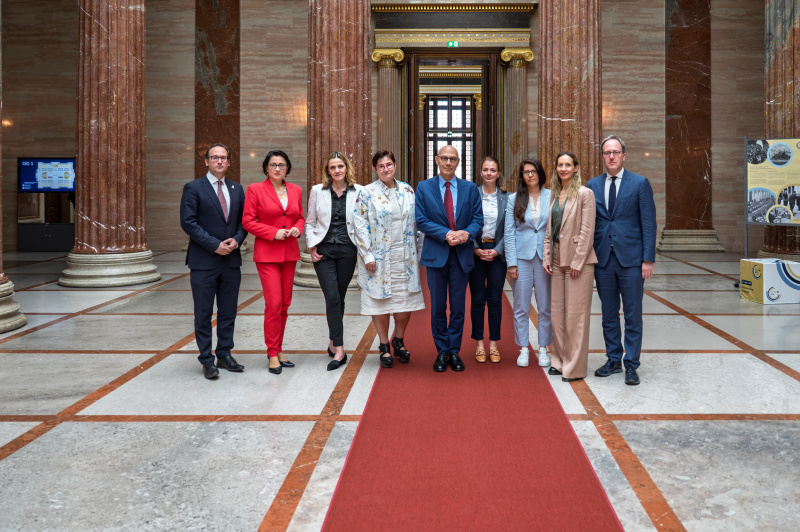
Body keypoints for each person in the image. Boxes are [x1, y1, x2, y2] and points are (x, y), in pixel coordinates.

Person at [586, 136, 656, 386]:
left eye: (616, 152)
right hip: (603, 259)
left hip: (632, 261)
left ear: (624, 156)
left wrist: (648, 259)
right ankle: (613, 358)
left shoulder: (639, 183)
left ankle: (632, 364)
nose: (612, 156)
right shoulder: (591, 185)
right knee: (608, 313)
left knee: (633, 314)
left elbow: (648, 223)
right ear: (602, 157)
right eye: (607, 152)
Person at [179, 143, 247, 379]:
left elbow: (243, 223)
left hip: (231, 261)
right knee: (204, 313)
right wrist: (214, 245)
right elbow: (188, 222)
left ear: (229, 163)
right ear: (206, 161)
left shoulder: (237, 189)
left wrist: (236, 241)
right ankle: (207, 359)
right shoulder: (193, 188)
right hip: (203, 262)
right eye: (214, 157)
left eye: (224, 158)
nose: (219, 161)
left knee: (228, 312)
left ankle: (225, 354)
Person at [353, 150, 424, 368]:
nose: (386, 169)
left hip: (405, 259)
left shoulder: (407, 190)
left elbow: (417, 225)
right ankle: (384, 345)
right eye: (381, 166)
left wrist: (418, 254)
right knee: (380, 304)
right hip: (379, 259)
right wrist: (368, 255)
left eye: (389, 165)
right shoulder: (367, 192)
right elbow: (359, 225)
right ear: (376, 169)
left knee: (404, 303)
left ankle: (399, 340)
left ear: (395, 165)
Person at [416, 145, 483, 372]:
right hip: (436, 254)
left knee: (457, 307)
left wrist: (467, 234)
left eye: (452, 159)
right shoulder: (424, 188)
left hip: (462, 255)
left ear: (458, 162)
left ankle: (454, 351)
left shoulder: (470, 188)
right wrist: (446, 234)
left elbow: (477, 219)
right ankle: (441, 351)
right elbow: (421, 220)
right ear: (436, 160)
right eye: (444, 158)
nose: (448, 162)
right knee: (437, 307)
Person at [242, 150, 305, 375]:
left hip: (289, 253)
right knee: (274, 304)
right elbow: (248, 221)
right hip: (268, 254)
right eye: (272, 165)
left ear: (287, 167)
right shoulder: (255, 190)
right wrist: (272, 232)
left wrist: (299, 228)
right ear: (266, 168)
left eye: (281, 164)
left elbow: (299, 216)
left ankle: (279, 349)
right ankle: (271, 352)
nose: (277, 168)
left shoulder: (296, 190)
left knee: (285, 304)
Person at [543, 151, 597, 382]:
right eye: (559, 165)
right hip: (556, 259)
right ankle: (559, 360)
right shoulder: (557, 194)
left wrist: (578, 260)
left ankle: (573, 368)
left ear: (576, 167)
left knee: (576, 317)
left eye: (568, 165)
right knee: (558, 315)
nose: (563, 169)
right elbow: (549, 230)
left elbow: (587, 231)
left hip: (578, 262)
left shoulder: (585, 194)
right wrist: (546, 257)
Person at [306, 151, 362, 371]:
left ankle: (332, 339)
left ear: (346, 168)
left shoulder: (359, 191)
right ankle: (339, 349)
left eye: (340, 166)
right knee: (332, 296)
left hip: (348, 249)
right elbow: (310, 222)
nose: (337, 170)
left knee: (339, 296)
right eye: (332, 167)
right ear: (327, 171)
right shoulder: (317, 191)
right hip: (324, 251)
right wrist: (311, 246)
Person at [505, 158, 552, 368]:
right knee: (521, 306)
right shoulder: (514, 198)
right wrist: (511, 263)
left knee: (545, 307)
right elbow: (508, 232)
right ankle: (523, 348)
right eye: (526, 172)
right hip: (522, 259)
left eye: (533, 171)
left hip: (545, 259)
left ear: (540, 173)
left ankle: (543, 348)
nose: (530, 175)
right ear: (522, 176)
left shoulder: (552, 196)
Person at [469, 157, 509, 363]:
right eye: (485, 169)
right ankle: (479, 344)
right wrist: (475, 249)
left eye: (493, 170)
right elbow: (465, 223)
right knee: (477, 299)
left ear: (498, 172)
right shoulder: (471, 194)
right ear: (481, 172)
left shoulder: (507, 198)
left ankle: (493, 344)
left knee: (494, 299)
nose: (489, 173)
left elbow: (510, 229)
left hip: (497, 252)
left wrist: (497, 250)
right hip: (476, 251)